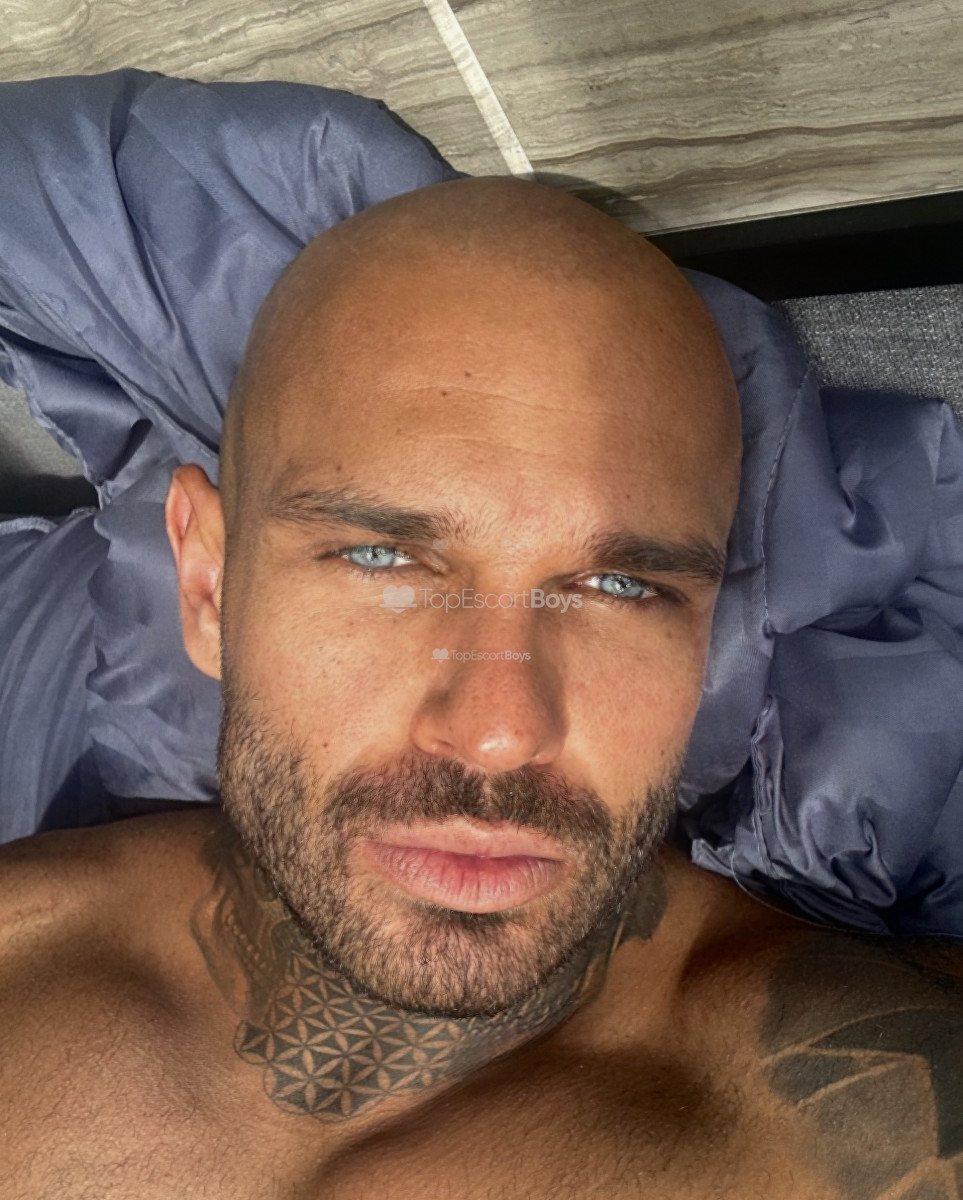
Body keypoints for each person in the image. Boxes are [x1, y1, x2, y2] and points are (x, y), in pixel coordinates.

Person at [1, 177, 961, 1199]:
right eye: (381, 558)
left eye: (620, 586)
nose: (499, 734)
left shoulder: (864, 1100)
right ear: (206, 588)